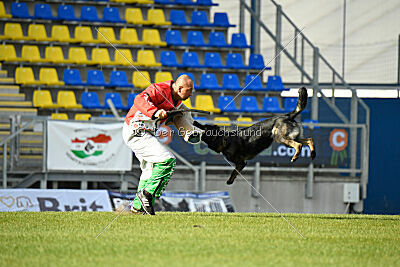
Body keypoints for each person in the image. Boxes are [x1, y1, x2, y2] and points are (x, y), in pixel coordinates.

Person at [122, 75, 194, 215]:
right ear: (179, 88)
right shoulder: (159, 89)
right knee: (167, 160)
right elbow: (139, 99)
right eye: (189, 90)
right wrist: (155, 112)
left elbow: (184, 115)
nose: (191, 94)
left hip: (147, 133)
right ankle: (147, 193)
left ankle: (137, 209)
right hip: (136, 130)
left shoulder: (177, 102)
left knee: (149, 170)